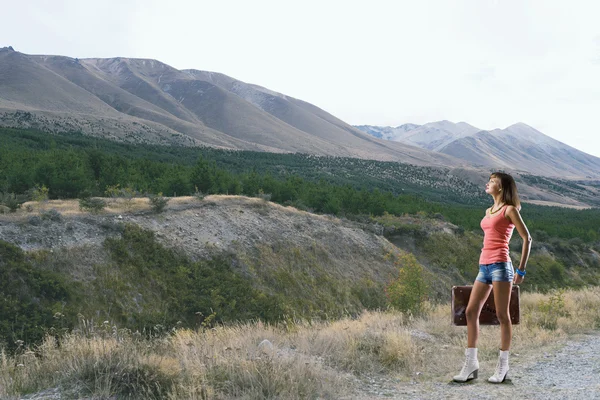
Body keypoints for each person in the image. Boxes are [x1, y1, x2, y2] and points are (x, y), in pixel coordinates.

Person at [453, 172, 532, 383]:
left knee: (502, 315)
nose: (488, 183)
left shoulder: (510, 210)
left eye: (493, 181)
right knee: (470, 311)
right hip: (484, 266)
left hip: (501, 266)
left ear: (502, 187)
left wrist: (521, 270)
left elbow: (527, 238)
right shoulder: (488, 211)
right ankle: (471, 364)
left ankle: (503, 366)